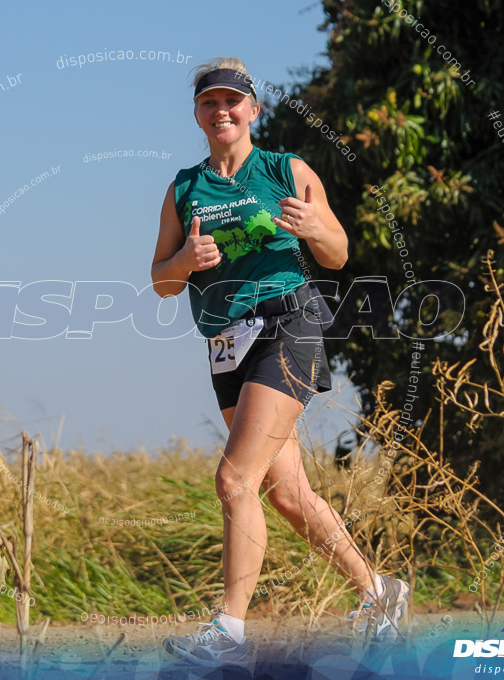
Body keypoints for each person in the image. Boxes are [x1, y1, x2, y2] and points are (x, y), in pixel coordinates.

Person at [149, 57, 409, 666]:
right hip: (224, 345)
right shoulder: (184, 188)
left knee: (234, 479)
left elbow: (338, 253)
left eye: (232, 102)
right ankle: (379, 593)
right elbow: (160, 280)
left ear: (252, 111)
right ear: (197, 114)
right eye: (210, 103)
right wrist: (184, 261)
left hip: (286, 324)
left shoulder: (284, 169)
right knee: (288, 494)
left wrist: (317, 225)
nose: (222, 112)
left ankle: (227, 632)